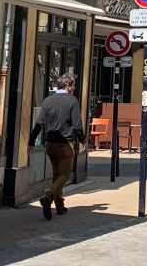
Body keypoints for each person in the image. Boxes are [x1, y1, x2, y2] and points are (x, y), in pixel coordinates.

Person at [29, 73, 85, 220]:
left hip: (49, 145)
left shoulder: (48, 100)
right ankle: (48, 198)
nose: (74, 88)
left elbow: (39, 123)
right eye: (73, 85)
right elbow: (77, 124)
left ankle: (60, 206)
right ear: (68, 85)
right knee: (65, 175)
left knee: (56, 174)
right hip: (65, 144)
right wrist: (83, 141)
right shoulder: (72, 100)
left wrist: (31, 141)